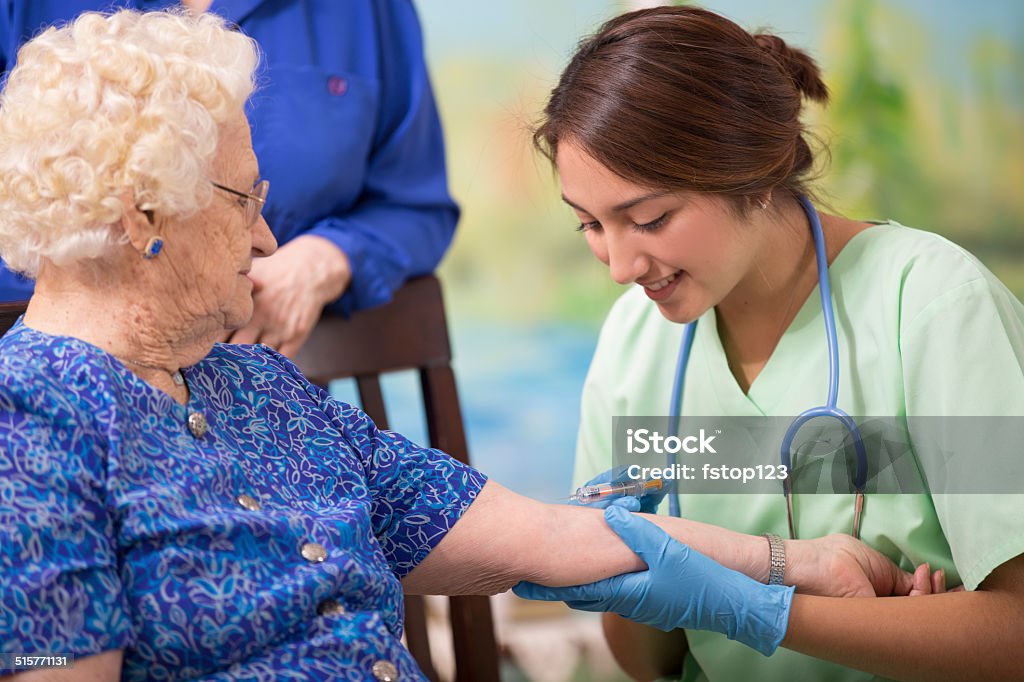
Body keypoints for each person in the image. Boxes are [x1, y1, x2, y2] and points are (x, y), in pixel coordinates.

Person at [0, 9, 931, 680]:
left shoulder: (253, 389)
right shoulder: (30, 428)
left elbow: (550, 536)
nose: (268, 239)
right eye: (247, 199)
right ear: (144, 216)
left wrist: (793, 567)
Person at [512, 6, 1024, 682]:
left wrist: (761, 609)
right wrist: (626, 567)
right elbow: (648, 663)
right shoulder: (636, 341)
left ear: (750, 175)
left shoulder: (934, 307)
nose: (620, 267)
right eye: (590, 225)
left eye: (649, 219)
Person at [0, 0, 457, 357]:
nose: (266, 241)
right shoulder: (29, 427)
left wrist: (325, 259)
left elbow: (415, 202)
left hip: (265, 391)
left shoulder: (368, 12)